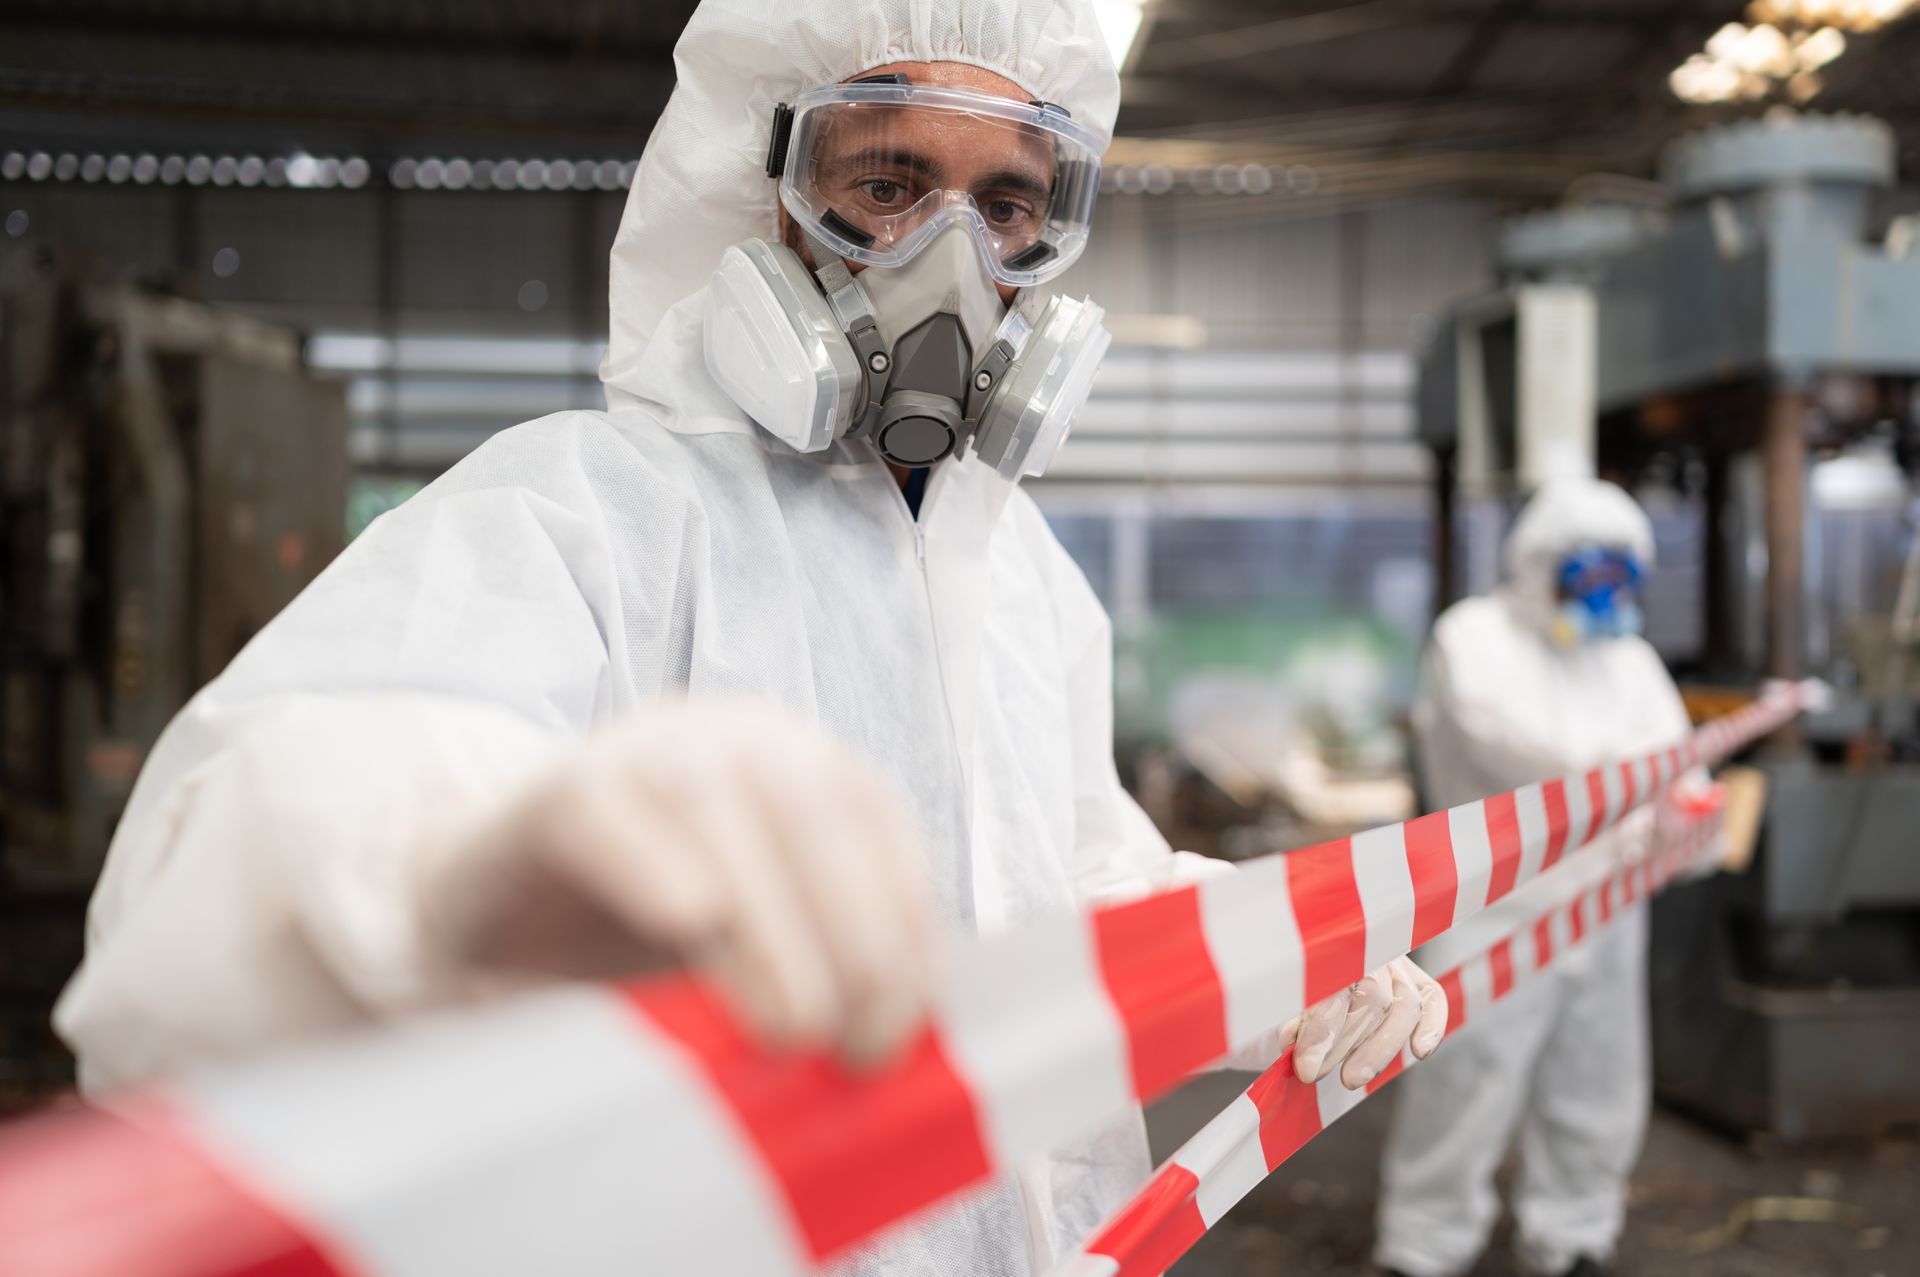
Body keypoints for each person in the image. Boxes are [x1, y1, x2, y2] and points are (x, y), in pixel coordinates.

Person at [56, 2, 1445, 1272]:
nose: (953, 262)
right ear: (764, 196)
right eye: (887, 185)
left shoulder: (1018, 572)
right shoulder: (589, 511)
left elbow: (1063, 884)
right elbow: (222, 853)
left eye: (1009, 204)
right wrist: (454, 879)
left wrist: (1272, 962)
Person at [1374, 477, 1695, 1277]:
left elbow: (1675, 758)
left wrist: (1684, 804)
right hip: (1497, 902)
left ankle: (1575, 1233)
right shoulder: (1473, 638)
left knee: (1598, 1075)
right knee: (1464, 1077)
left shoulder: (1629, 659)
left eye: (1622, 576)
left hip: (1606, 900)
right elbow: (1527, 755)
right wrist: (1640, 778)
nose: (1605, 597)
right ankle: (1424, 1242)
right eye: (1589, 575)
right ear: (1539, 566)